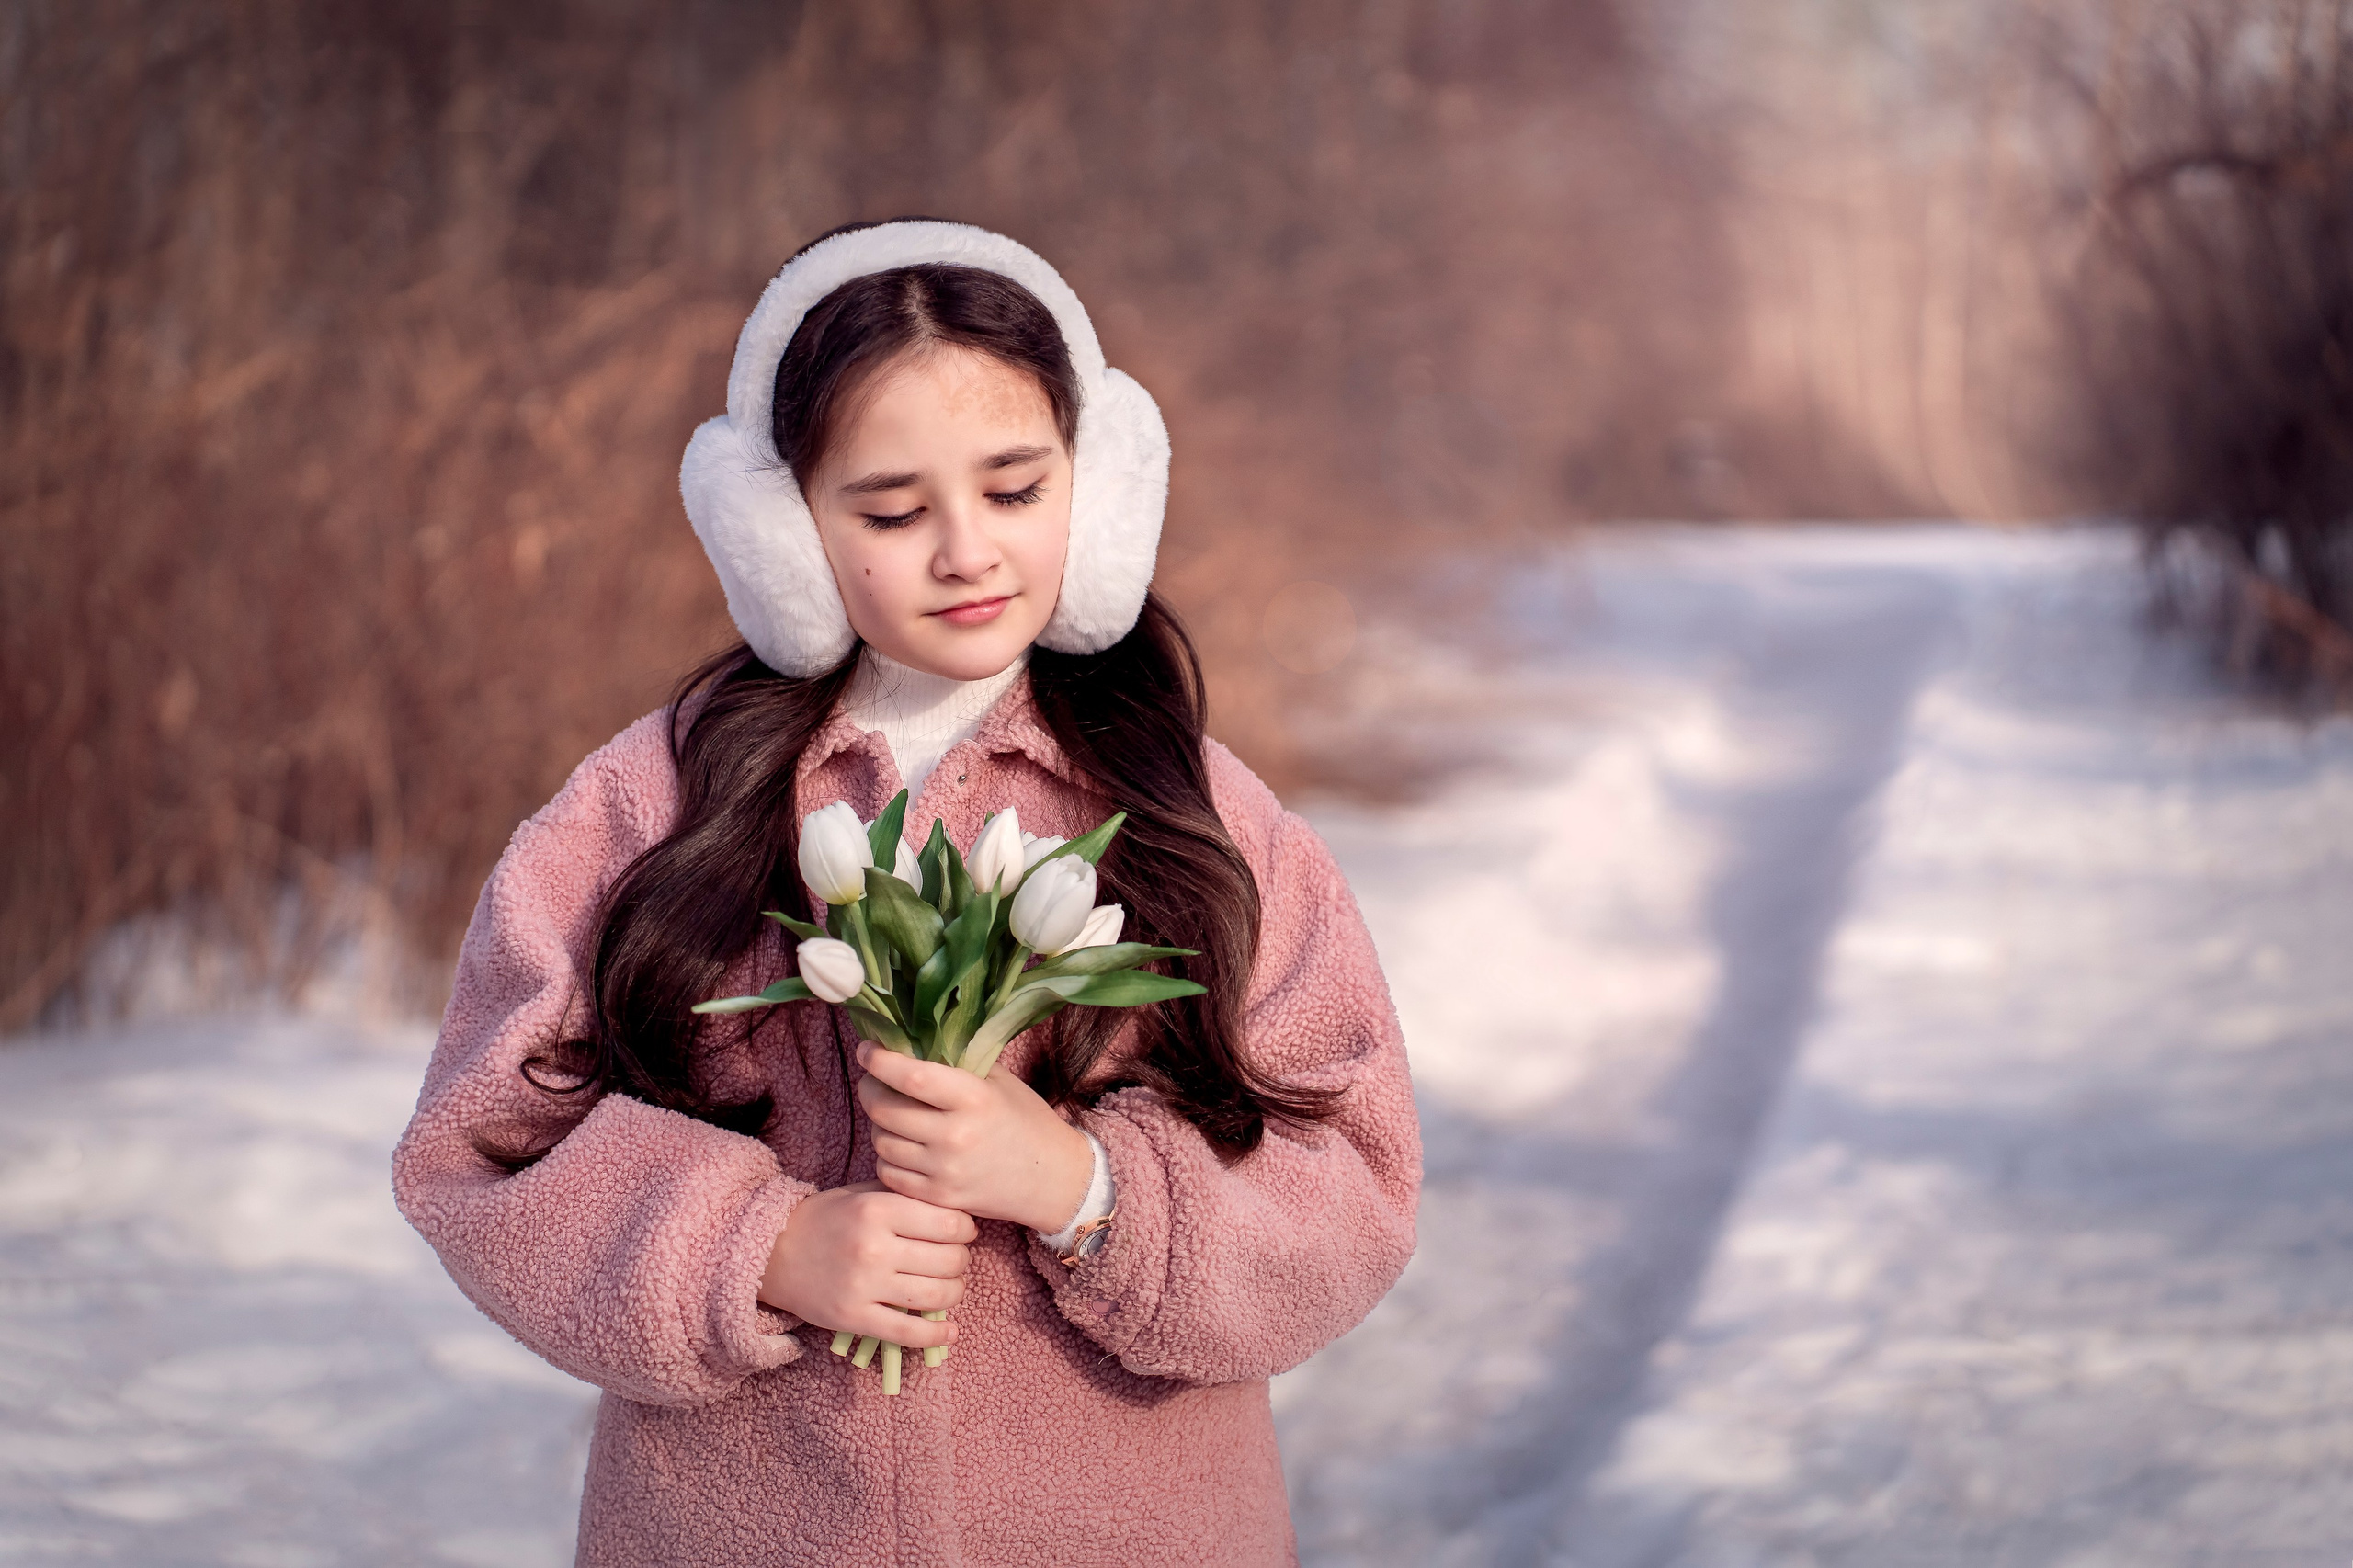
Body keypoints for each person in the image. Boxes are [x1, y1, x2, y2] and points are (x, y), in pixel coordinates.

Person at [392, 218, 1420, 1567]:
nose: (966, 552)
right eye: (890, 511)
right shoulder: (653, 807)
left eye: (1013, 488)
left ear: (1095, 489)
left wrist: (1082, 1184)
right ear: (779, 529)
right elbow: (482, 1147)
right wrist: (758, 1244)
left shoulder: (1196, 816)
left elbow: (1356, 1180)